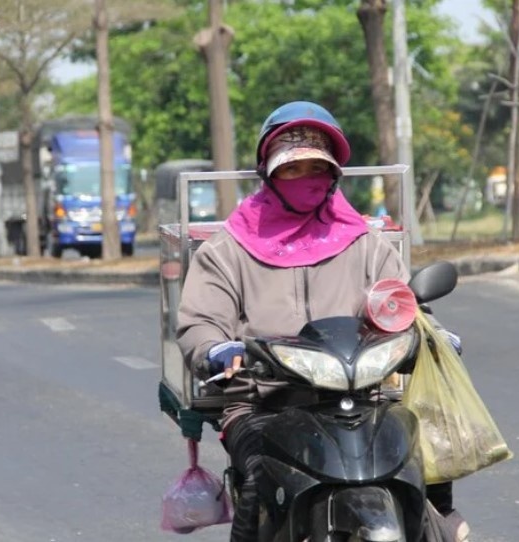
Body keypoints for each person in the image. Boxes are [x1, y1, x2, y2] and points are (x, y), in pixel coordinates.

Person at [176, 101, 469, 542]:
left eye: (316, 168)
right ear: (268, 174)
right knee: (258, 480)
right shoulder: (228, 249)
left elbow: (399, 302)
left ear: (333, 175)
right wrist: (217, 349)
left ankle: (439, 522)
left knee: (419, 453)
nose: (305, 179)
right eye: (292, 170)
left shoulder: (365, 244)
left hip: (363, 397)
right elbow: (201, 322)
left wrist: (429, 332)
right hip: (265, 403)